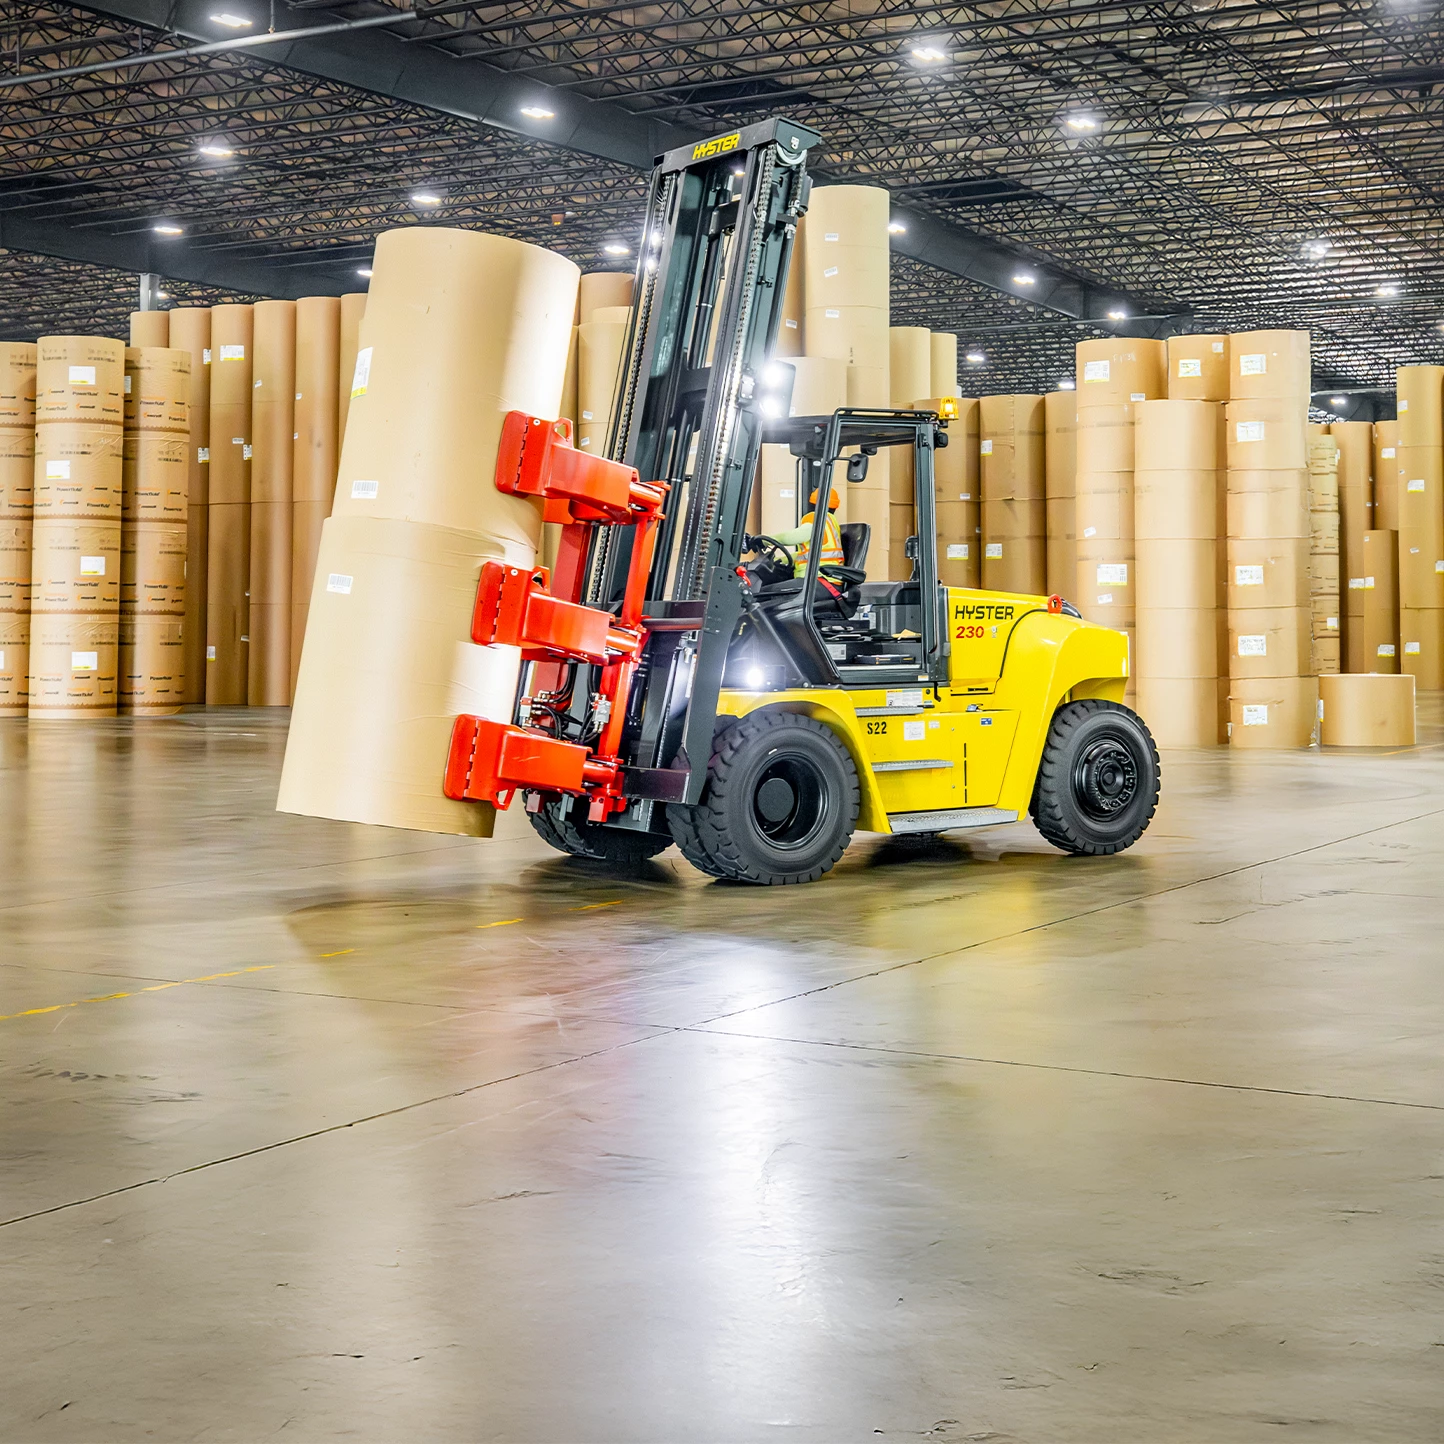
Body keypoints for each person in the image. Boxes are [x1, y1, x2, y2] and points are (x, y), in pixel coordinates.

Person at [771, 487, 844, 578]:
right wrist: (779, 560)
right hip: (825, 578)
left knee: (768, 591)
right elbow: (803, 556)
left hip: (816, 578)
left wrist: (764, 541)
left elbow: (790, 538)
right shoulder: (831, 522)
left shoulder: (816, 518)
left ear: (812, 504)